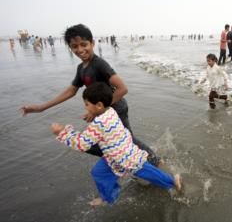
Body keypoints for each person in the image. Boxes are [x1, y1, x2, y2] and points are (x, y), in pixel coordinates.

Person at [20, 24, 162, 166]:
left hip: (116, 108)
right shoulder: (81, 68)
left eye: (84, 44)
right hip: (102, 111)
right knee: (110, 144)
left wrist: (96, 111)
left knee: (126, 141)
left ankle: (154, 162)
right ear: (70, 48)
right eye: (75, 46)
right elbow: (71, 90)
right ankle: (130, 163)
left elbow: (122, 89)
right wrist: (41, 107)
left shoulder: (99, 64)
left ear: (92, 43)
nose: (80, 50)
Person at [51, 82, 182, 206]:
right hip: (116, 154)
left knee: (146, 171)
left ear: (99, 105)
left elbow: (82, 144)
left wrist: (63, 133)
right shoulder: (110, 111)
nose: (85, 107)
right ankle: (107, 197)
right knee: (99, 172)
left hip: (124, 157)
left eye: (87, 104)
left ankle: (173, 181)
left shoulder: (99, 124)